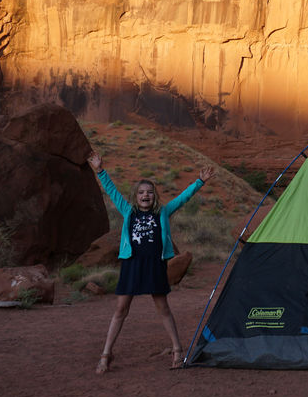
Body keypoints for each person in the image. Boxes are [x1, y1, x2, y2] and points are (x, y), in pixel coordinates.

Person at [87, 151, 214, 374]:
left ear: (154, 196)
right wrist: (100, 170)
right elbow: (112, 191)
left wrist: (199, 182)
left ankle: (176, 349)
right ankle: (106, 354)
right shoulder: (128, 211)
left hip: (155, 265)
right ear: (136, 196)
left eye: (150, 193)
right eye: (141, 193)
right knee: (120, 309)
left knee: (162, 307)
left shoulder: (163, 212)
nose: (146, 196)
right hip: (132, 265)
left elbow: (183, 198)